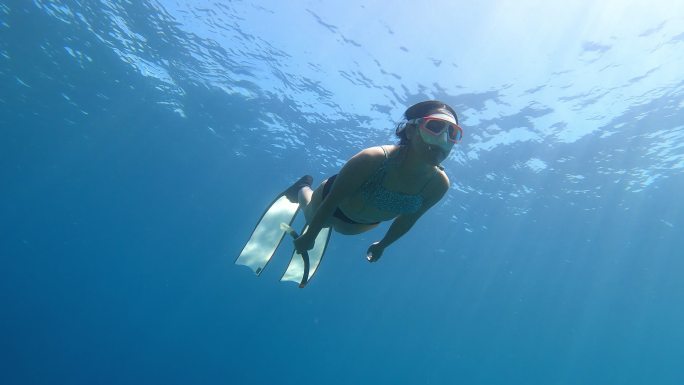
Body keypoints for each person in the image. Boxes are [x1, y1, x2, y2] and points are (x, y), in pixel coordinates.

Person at [291, 100, 463, 262]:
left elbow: (408, 220)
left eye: (452, 132)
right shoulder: (373, 158)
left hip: (356, 226)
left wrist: (383, 245)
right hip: (328, 203)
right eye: (434, 126)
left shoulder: (438, 185)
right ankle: (302, 187)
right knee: (309, 212)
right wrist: (310, 234)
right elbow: (333, 199)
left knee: (335, 227)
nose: (443, 139)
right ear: (410, 131)